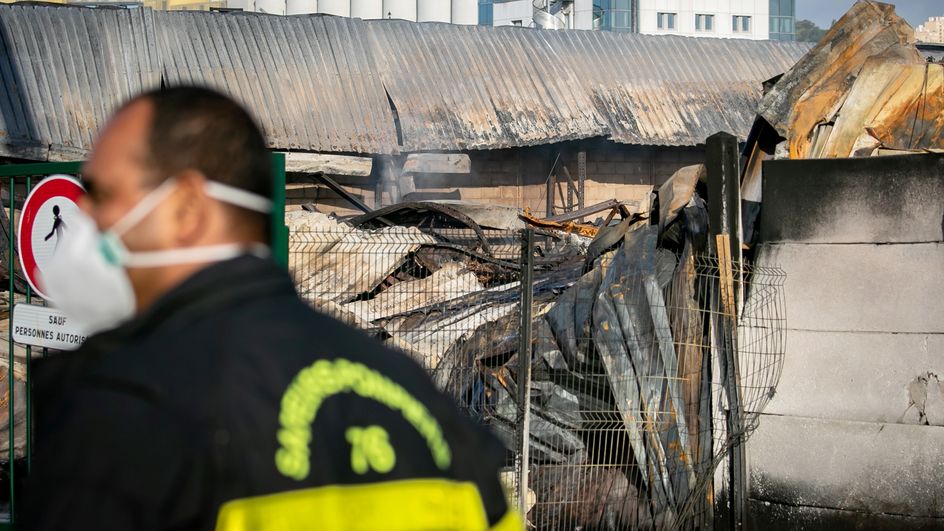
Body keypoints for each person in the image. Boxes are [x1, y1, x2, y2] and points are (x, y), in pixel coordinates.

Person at [23, 86, 520, 531]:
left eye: (102, 195)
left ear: (187, 208)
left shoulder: (127, 408)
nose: (80, 220)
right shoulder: (416, 402)